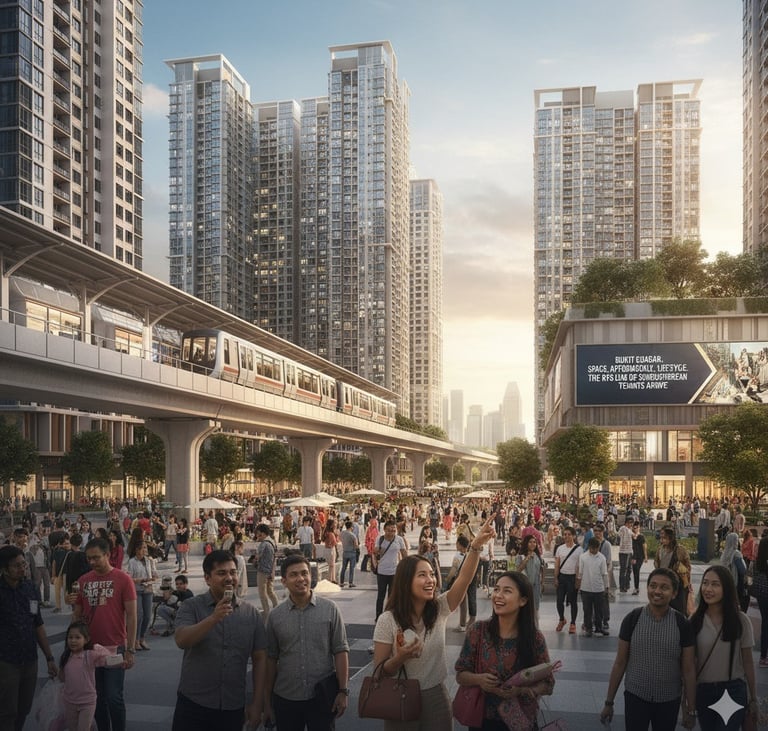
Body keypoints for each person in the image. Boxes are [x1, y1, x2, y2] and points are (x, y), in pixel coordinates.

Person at [371, 514, 497, 730]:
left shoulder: (439, 609)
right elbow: (379, 672)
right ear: (405, 581)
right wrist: (399, 658)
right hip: (399, 695)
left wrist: (475, 546)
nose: (430, 580)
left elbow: (464, 579)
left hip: (436, 696)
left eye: (431, 574)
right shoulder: (388, 620)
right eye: (422, 575)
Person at [173, 549, 266, 731]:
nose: (229, 578)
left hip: (232, 705)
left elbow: (260, 658)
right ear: (207, 578)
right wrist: (213, 618)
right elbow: (181, 640)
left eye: (233, 572)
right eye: (221, 573)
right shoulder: (191, 606)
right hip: (194, 703)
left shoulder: (251, 614)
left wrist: (257, 703)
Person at [455, 571, 555, 731]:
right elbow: (461, 675)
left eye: (507, 591)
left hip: (520, 720)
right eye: (496, 589)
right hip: (483, 720)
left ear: (523, 600)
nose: (498, 595)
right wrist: (480, 680)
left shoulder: (534, 638)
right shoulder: (478, 631)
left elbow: (548, 684)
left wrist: (522, 690)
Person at [600, 568, 697, 731]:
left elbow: (688, 670)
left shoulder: (682, 625)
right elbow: (620, 663)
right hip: (636, 697)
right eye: (653, 586)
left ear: (674, 593)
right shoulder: (632, 619)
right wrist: (609, 702)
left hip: (669, 700)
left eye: (664, 587)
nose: (657, 591)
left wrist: (690, 709)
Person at [263, 554, 350, 730]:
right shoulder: (275, 616)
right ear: (284, 580)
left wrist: (343, 691)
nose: (301, 578)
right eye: (294, 575)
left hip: (322, 695)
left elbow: (340, 651)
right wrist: (266, 702)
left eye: (305, 573)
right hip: (286, 696)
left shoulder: (330, 609)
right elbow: (270, 659)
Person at [71, 537, 138, 731]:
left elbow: (132, 616)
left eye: (96, 558)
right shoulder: (83, 580)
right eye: (88, 558)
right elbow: (77, 616)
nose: (92, 562)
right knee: (97, 697)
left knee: (114, 697)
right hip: (90, 649)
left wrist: (130, 649)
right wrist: (72, 603)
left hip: (115, 647)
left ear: (108, 555)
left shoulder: (123, 579)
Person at [689, 565, 758, 730]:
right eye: (705, 583)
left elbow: (748, 662)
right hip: (703, 690)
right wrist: (688, 701)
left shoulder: (740, 620)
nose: (708, 589)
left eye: (715, 584)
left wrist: (753, 698)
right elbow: (689, 664)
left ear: (726, 588)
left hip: (731, 690)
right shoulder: (694, 620)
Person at [0, 544, 58, 731]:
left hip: (29, 658)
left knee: (24, 707)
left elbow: (38, 623)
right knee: (7, 710)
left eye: (23, 564)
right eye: (17, 566)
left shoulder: (30, 588)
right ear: (4, 569)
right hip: (6, 660)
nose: (22, 568)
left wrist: (49, 657)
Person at [59, 621, 112, 731]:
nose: (73, 641)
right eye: (70, 637)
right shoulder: (65, 656)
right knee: (72, 728)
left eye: (78, 637)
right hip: (70, 701)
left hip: (87, 702)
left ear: (86, 640)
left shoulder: (89, 655)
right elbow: (62, 678)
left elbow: (107, 659)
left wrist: (96, 647)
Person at [125, 541, 158, 651]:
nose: (144, 550)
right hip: (137, 590)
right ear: (137, 550)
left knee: (148, 615)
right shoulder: (132, 562)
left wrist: (154, 575)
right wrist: (142, 580)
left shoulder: (149, 561)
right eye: (142, 548)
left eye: (145, 548)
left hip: (148, 589)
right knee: (139, 615)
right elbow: (129, 578)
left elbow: (154, 573)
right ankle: (136, 639)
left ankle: (143, 637)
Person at [372, 519, 408, 619]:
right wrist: (376, 551)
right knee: (381, 596)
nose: (391, 533)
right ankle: (378, 616)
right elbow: (375, 552)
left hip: (394, 572)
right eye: (389, 530)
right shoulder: (380, 539)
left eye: (393, 530)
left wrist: (407, 566)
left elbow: (404, 553)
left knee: (392, 596)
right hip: (382, 572)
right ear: (384, 530)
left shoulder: (399, 539)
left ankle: (390, 616)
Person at [654, 526, 693, 616]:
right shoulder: (660, 550)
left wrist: (687, 581)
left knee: (679, 608)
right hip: (664, 582)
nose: (662, 540)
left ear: (670, 538)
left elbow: (687, 566)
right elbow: (657, 563)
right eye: (661, 537)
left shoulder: (680, 550)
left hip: (678, 583)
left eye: (664, 537)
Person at [576, 537, 609, 637]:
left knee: (599, 610)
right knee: (587, 610)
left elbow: (604, 574)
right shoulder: (583, 557)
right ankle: (588, 628)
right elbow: (580, 573)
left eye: (596, 548)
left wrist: (606, 587)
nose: (595, 550)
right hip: (585, 588)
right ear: (589, 547)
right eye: (593, 548)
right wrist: (578, 585)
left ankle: (599, 627)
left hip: (598, 588)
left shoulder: (602, 558)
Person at [446, 535, 477, 631]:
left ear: (460, 544)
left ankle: (462, 625)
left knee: (463, 602)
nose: (456, 545)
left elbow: (453, 570)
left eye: (457, 543)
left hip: (461, 580)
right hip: (472, 579)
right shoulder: (470, 555)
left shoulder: (458, 555)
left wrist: (447, 579)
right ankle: (471, 620)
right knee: (471, 598)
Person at [554, 526, 580, 634]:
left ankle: (573, 623)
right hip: (562, 577)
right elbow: (557, 564)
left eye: (569, 534)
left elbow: (579, 566)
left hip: (572, 577)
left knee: (573, 601)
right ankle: (561, 619)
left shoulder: (579, 549)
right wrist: (556, 577)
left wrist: (578, 580)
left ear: (573, 536)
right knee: (559, 601)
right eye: (565, 534)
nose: (566, 536)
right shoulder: (560, 548)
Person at [514, 534, 544, 620]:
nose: (532, 544)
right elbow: (518, 570)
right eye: (530, 542)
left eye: (534, 542)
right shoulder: (521, 556)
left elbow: (541, 569)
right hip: (525, 587)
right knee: (524, 609)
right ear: (526, 543)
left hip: (536, 587)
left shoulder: (537, 556)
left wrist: (542, 583)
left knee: (535, 609)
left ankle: (534, 629)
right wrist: (527, 558)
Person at [255, 523, 279, 622]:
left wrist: (254, 559)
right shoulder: (272, 541)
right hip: (271, 570)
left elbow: (257, 557)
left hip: (263, 571)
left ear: (263, 533)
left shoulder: (264, 543)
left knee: (262, 593)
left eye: (259, 534)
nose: (257, 536)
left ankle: (266, 613)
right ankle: (277, 609)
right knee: (270, 591)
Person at [719, 532, 749, 613]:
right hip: (736, 582)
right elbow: (742, 570)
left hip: (725, 581)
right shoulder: (736, 554)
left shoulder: (723, 554)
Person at [339, 520, 358, 588]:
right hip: (352, 552)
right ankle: (350, 583)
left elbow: (340, 539)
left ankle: (341, 582)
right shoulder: (353, 535)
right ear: (351, 527)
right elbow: (356, 545)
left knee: (343, 568)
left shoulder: (342, 533)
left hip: (345, 552)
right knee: (351, 568)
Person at [630, 521, 648, 595]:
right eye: (634, 528)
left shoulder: (641, 536)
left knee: (637, 570)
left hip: (640, 556)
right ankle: (636, 588)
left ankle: (636, 588)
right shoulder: (631, 536)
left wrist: (646, 556)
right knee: (635, 572)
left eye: (637, 527)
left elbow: (644, 547)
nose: (635, 529)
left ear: (639, 528)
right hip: (633, 556)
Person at [617, 516, 634, 593]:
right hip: (624, 551)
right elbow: (620, 536)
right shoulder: (624, 528)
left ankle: (626, 584)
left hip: (629, 551)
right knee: (624, 569)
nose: (632, 525)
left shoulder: (628, 530)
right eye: (631, 523)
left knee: (628, 569)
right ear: (628, 522)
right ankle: (622, 586)